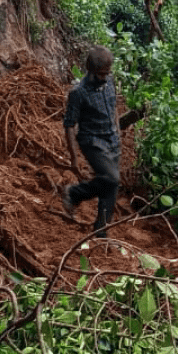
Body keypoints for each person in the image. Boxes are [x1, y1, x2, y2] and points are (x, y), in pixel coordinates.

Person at [59, 46, 124, 237]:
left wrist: (118, 130)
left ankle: (101, 231)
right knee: (112, 179)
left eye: (107, 73)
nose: (105, 77)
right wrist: (74, 158)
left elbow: (114, 108)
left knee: (110, 185)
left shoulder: (110, 82)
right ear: (91, 71)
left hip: (112, 139)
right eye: (101, 74)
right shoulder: (78, 93)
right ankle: (75, 193)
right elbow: (69, 125)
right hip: (92, 141)